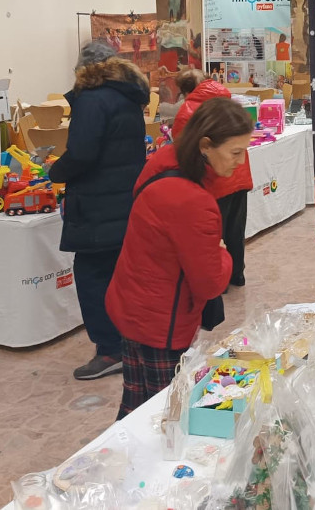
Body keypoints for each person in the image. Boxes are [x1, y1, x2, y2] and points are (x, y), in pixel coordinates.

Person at [108, 98, 252, 417]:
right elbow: (210, 283)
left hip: (133, 304)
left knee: (135, 407)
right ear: (205, 146)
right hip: (163, 320)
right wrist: (223, 255)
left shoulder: (164, 160)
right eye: (235, 152)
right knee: (167, 415)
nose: (241, 162)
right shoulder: (193, 202)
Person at [48, 42, 150, 380]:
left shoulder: (91, 100)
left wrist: (56, 172)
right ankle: (131, 341)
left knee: (92, 276)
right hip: (125, 200)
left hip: (97, 205)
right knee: (122, 276)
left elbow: (82, 153)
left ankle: (109, 349)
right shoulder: (128, 95)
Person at [172, 69, 254, 289]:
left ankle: (221, 281)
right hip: (239, 176)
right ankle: (237, 274)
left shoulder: (188, 110)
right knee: (236, 229)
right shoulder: (228, 103)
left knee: (216, 233)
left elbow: (181, 146)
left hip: (214, 181)